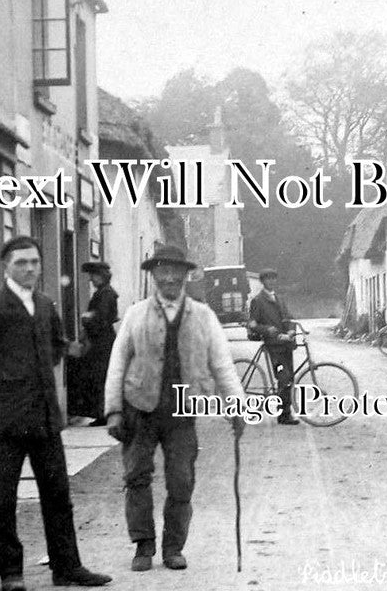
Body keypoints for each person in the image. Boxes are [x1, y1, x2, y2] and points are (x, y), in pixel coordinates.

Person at [0, 235, 112, 591]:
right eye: (21, 263)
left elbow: (55, 346)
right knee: (4, 500)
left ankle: (67, 567)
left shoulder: (44, 304)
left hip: (44, 420)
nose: (29, 269)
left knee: (58, 496)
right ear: (5, 267)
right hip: (5, 423)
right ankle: (11, 574)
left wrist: (58, 360)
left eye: (35, 262)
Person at [103, 244, 246, 572]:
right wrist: (113, 409)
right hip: (139, 409)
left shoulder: (204, 316)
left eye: (175, 271)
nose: (168, 277)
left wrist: (235, 407)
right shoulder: (136, 314)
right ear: (154, 275)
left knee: (181, 480)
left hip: (182, 413)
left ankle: (172, 547)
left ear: (186, 274)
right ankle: (143, 545)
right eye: (162, 271)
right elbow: (118, 361)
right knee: (137, 476)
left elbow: (221, 364)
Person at [66, 261, 119, 426]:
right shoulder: (104, 293)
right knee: (97, 377)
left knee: (99, 377)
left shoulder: (106, 294)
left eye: (93, 276)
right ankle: (100, 412)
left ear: (102, 276)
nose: (91, 280)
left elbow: (102, 317)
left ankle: (102, 413)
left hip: (101, 342)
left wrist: (87, 318)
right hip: (100, 340)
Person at [248, 268, 299, 425]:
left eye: (273, 278)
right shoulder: (258, 301)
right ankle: (284, 415)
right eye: (268, 279)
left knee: (289, 377)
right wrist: (267, 330)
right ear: (262, 281)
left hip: (285, 344)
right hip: (273, 347)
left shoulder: (280, 298)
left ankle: (285, 412)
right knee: (283, 376)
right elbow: (252, 323)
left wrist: (291, 331)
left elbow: (289, 318)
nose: (271, 281)